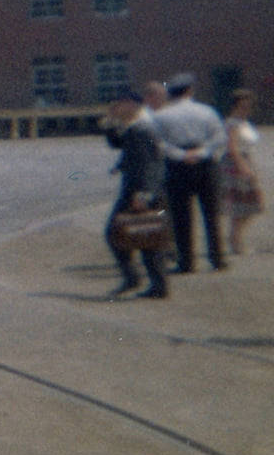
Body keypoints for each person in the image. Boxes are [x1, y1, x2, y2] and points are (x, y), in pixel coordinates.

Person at [151, 72, 227, 273]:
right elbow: (219, 137)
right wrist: (201, 152)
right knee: (211, 214)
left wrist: (181, 154)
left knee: (181, 216)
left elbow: (158, 143)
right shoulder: (207, 111)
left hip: (177, 167)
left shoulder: (160, 115)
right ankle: (218, 259)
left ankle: (187, 262)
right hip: (206, 164)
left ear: (171, 94)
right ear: (190, 90)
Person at [102, 91, 168, 299]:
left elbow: (151, 162)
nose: (116, 107)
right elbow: (120, 145)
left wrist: (144, 193)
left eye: (120, 103)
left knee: (121, 233)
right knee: (145, 235)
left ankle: (141, 280)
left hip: (139, 190)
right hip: (141, 188)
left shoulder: (142, 127)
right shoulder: (137, 125)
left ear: (131, 104)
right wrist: (111, 122)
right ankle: (153, 284)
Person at [223, 88, 264, 255]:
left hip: (247, 160)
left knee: (251, 205)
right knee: (243, 205)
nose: (246, 110)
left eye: (248, 106)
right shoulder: (233, 123)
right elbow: (232, 148)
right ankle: (236, 242)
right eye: (242, 106)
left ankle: (235, 238)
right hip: (236, 164)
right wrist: (244, 168)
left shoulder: (244, 123)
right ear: (234, 106)